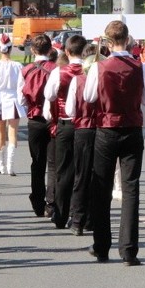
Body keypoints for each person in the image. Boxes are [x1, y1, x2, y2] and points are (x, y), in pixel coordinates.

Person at [83, 20, 145, 265]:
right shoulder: (141, 67)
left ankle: (101, 246)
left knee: (101, 187)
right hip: (133, 128)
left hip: (106, 128)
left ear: (108, 41)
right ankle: (129, 250)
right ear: (128, 38)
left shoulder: (99, 67)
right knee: (131, 187)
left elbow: (89, 96)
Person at [44, 34, 88, 229]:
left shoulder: (59, 72)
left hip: (66, 123)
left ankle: (61, 215)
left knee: (64, 170)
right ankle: (80, 214)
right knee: (84, 171)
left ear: (67, 52)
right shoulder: (91, 70)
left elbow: (49, 94)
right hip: (86, 124)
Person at [18, 33, 56, 218]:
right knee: (53, 163)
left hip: (34, 120)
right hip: (53, 120)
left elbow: (21, 98)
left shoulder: (26, 70)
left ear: (32, 50)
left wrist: (31, 107)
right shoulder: (55, 69)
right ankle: (51, 201)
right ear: (50, 50)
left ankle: (37, 200)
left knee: (37, 163)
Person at [64, 43, 98, 236]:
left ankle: (78, 220)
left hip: (83, 130)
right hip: (101, 130)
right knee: (98, 177)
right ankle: (92, 219)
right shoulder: (104, 79)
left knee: (81, 176)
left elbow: (70, 110)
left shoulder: (78, 80)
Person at [0, 34, 24, 176]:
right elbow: (21, 87)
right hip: (14, 102)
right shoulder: (18, 66)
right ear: (10, 49)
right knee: (13, 135)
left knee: (0, 136)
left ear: (0, 49)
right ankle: (10, 167)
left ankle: (2, 167)